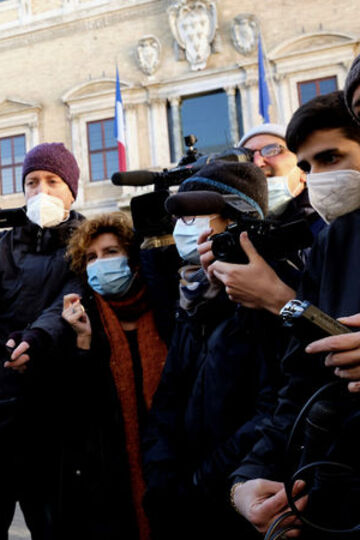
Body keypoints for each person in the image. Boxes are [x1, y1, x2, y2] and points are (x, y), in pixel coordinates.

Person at [142, 161, 295, 540]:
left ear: (236, 220)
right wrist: (162, 472)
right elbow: (168, 398)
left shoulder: (271, 290)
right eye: (180, 215)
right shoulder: (193, 297)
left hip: (238, 496)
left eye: (195, 214)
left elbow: (274, 405)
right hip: (181, 500)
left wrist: (202, 478)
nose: (182, 226)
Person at [231, 91, 360, 538]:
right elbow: (303, 375)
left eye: (331, 158)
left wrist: (276, 298)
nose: (318, 177)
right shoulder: (333, 243)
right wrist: (245, 480)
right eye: (307, 166)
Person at [0, 142, 86, 538]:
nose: (41, 190)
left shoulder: (85, 247)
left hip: (48, 421)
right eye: (32, 181)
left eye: (52, 181)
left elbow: (70, 302)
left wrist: (38, 340)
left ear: (71, 191)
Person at [61, 212, 169, 540]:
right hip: (112, 476)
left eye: (110, 252)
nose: (100, 262)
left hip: (167, 463)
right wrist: (82, 341)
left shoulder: (165, 309)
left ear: (132, 259)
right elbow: (79, 407)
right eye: (91, 257)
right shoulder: (85, 318)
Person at [195, 123, 322, 316]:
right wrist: (215, 288)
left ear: (303, 169)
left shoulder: (329, 227)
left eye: (272, 150)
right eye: (245, 156)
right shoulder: (231, 235)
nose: (258, 162)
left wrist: (277, 298)